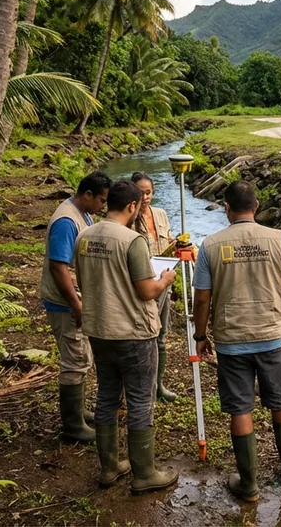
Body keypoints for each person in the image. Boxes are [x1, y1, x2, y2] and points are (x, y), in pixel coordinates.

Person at [193, 180, 281, 502]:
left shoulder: (211, 245)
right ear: (256, 206)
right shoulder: (278, 239)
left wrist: (201, 335)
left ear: (227, 209)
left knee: (240, 408)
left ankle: (249, 484)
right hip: (272, 336)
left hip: (231, 341)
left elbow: (202, 299)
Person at [75, 180, 179, 493]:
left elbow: (82, 278)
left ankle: (109, 467)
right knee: (139, 400)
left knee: (107, 395)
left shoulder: (84, 236)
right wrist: (166, 279)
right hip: (133, 332)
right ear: (132, 206)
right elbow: (146, 290)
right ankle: (144, 473)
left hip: (99, 330)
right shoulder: (132, 241)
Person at [40, 170, 111, 443]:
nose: (103, 206)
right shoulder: (67, 221)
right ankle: (72, 426)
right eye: (101, 200)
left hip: (74, 301)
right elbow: (59, 268)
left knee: (81, 357)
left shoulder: (82, 214)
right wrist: (77, 305)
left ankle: (79, 412)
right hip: (64, 304)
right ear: (88, 194)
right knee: (75, 360)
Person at [129, 171, 179, 402]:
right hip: (143, 285)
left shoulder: (160, 214)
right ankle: (143, 388)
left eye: (148, 193)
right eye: (140, 193)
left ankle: (159, 385)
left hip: (164, 282)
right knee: (145, 336)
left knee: (162, 335)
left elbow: (167, 241)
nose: (145, 197)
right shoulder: (128, 218)